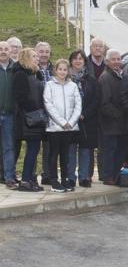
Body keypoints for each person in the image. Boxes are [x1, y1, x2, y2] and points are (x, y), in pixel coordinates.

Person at [43, 59, 82, 192]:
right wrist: (62, 122)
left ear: (68, 71)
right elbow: (48, 104)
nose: (62, 72)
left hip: (69, 128)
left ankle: (65, 179)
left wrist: (70, 122)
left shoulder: (73, 86)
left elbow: (78, 105)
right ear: (55, 70)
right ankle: (54, 181)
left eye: (65, 69)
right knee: (54, 154)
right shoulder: (49, 85)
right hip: (54, 127)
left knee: (66, 155)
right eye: (60, 69)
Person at [67, 50, 101, 189]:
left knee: (86, 149)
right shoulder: (65, 78)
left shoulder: (91, 80)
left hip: (86, 120)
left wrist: (84, 114)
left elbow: (96, 99)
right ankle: (70, 177)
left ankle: (84, 177)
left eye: (81, 59)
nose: (78, 61)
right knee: (70, 149)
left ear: (84, 62)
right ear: (71, 61)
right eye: (75, 58)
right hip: (69, 120)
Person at [13, 48, 45, 192]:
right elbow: (21, 98)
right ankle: (26, 180)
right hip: (28, 119)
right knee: (32, 149)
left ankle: (31, 178)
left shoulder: (35, 74)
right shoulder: (20, 74)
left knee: (35, 149)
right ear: (26, 58)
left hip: (36, 117)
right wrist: (36, 110)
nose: (37, 58)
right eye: (33, 56)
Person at [98, 49, 128, 185]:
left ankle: (114, 175)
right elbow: (104, 103)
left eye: (118, 59)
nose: (116, 62)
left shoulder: (120, 75)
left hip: (120, 124)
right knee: (109, 151)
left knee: (119, 150)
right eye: (113, 59)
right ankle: (107, 176)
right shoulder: (105, 78)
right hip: (110, 123)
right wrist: (119, 115)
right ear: (107, 61)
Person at [36, 41, 53, 185]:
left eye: (47, 51)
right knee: (34, 146)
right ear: (36, 52)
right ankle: (31, 175)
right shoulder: (32, 68)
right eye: (41, 51)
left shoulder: (55, 69)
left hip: (51, 114)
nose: (44, 54)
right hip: (36, 112)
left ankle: (47, 174)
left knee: (49, 146)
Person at [0, 41, 17, 188]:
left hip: (10, 114)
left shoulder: (16, 68)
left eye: (6, 49)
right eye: (0, 49)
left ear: (11, 51)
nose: (3, 51)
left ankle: (9, 177)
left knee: (8, 147)